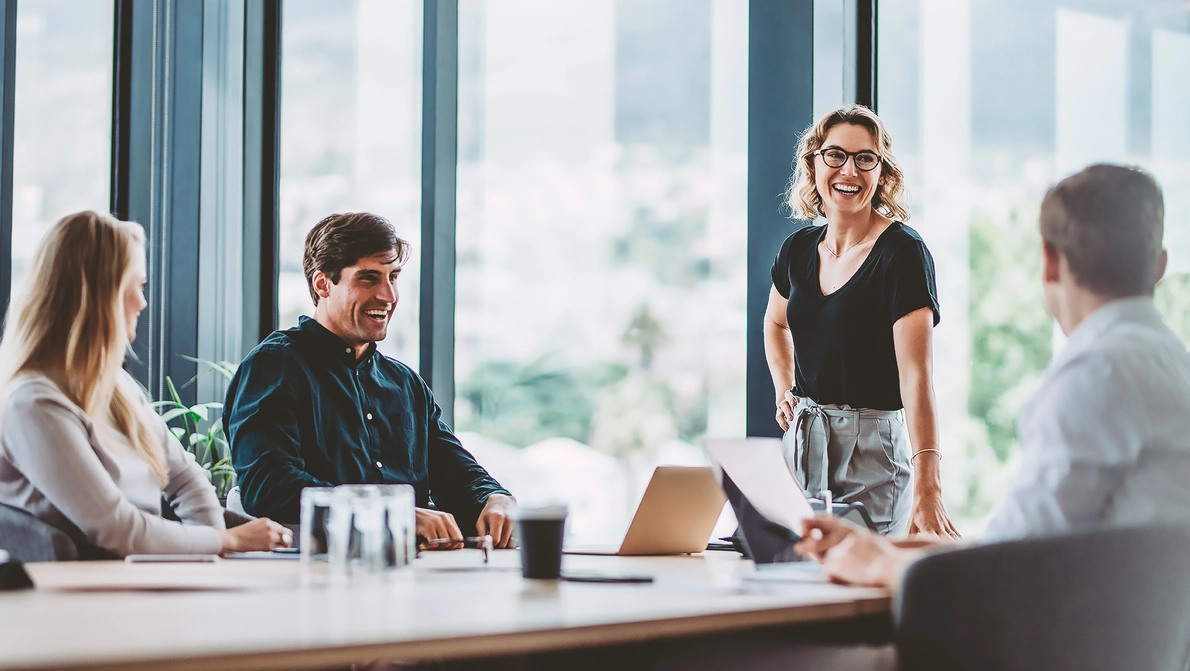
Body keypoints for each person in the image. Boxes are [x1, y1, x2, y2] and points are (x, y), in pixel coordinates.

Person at [798, 163, 1190, 587]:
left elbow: (1007, 569)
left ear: (1050, 263)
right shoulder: (1172, 364)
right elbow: (1022, 540)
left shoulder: (1097, 376)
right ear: (1159, 266)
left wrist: (876, 564)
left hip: (1064, 646)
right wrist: (883, 548)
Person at [0, 211, 291, 558]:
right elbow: (117, 529)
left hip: (137, 578)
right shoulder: (33, 405)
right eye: (136, 286)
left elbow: (186, 478)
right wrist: (227, 540)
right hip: (81, 596)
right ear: (99, 296)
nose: (143, 301)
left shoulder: (115, 386)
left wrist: (212, 556)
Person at [225, 212, 516, 548]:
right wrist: (391, 513)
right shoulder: (274, 366)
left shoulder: (404, 383)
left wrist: (494, 498)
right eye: (368, 279)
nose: (388, 296)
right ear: (323, 284)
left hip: (413, 573)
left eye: (393, 277)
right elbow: (270, 486)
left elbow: (455, 473)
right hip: (313, 575)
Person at [765, 105, 957, 536]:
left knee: (861, 593)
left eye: (864, 158)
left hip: (871, 452)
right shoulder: (796, 250)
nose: (848, 170)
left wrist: (930, 487)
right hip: (801, 444)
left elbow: (917, 379)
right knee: (795, 586)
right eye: (835, 155)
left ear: (882, 172)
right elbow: (776, 324)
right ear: (813, 163)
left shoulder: (902, 254)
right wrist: (784, 388)